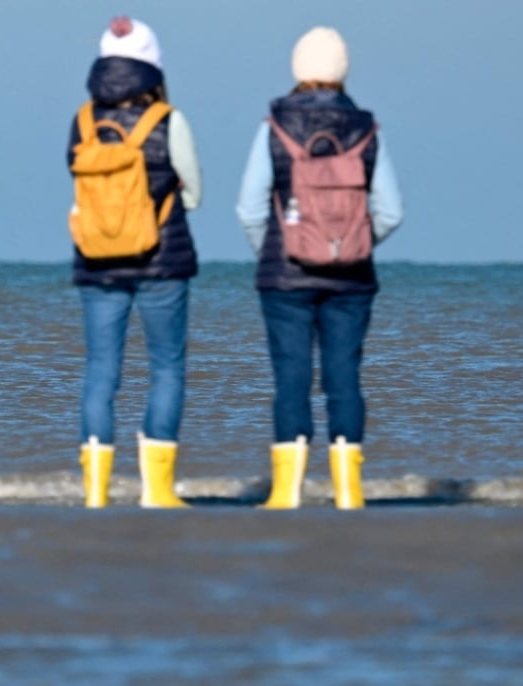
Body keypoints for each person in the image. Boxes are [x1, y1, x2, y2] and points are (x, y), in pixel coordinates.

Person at [235, 27, 404, 510]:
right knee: (343, 378)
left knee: (291, 377)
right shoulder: (368, 128)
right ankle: (349, 493)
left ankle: (286, 493)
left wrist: (276, 248)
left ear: (297, 70)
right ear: (342, 71)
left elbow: (249, 208)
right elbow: (390, 211)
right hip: (352, 277)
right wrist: (351, 246)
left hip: (285, 276)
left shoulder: (275, 126)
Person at [68, 16, 204, 509]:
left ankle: (97, 492)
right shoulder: (167, 120)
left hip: (97, 262)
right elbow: (196, 196)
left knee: (100, 371)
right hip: (161, 262)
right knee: (166, 368)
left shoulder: (84, 120)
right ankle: (158, 492)